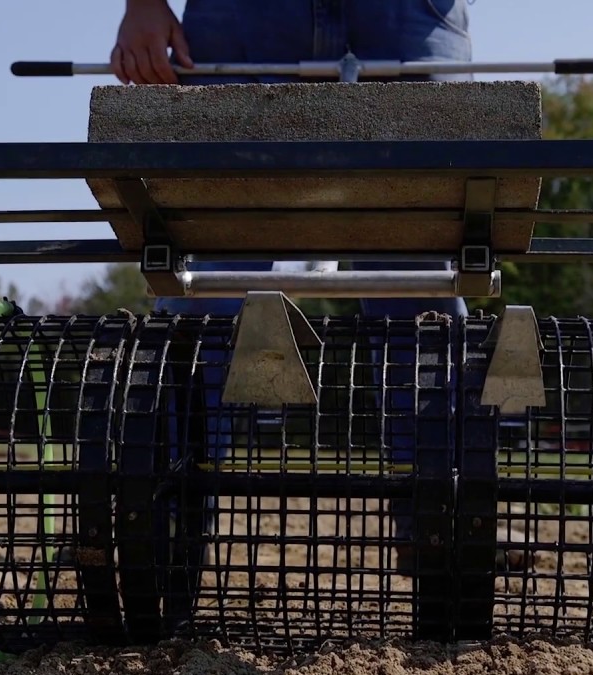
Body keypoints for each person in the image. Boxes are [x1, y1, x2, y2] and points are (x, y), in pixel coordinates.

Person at [109, 0, 529, 575]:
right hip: (244, 16)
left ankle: (444, 524)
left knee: (426, 266)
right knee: (206, 275)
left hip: (407, 11)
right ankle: (150, 528)